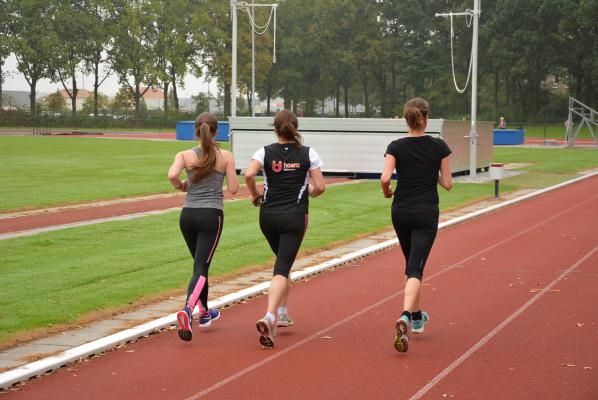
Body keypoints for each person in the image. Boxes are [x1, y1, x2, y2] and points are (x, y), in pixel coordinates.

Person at [244, 109, 326, 348]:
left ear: (275, 129)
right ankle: (270, 316)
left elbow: (249, 174)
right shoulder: (308, 153)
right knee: (282, 267)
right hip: (294, 216)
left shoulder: (264, 151)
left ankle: (282, 313)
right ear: (295, 128)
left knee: (283, 261)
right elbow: (320, 187)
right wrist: (309, 190)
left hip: (267, 216)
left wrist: (255, 195)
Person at [380, 98, 453, 353]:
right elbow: (448, 184)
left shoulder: (396, 146)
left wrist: (387, 192)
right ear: (426, 118)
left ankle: (418, 314)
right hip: (425, 212)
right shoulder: (439, 146)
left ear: (406, 119)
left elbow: (385, 177)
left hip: (400, 211)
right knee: (415, 268)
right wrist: (431, 171)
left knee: (412, 266)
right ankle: (404, 317)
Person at [167, 112, 239, 342]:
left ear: (196, 131)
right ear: (217, 131)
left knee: (200, 267)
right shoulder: (225, 155)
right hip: (211, 215)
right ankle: (188, 309)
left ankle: (205, 313)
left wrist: (181, 186)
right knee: (201, 267)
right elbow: (234, 189)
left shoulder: (185, 155)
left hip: (187, 216)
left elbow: (171, 175)